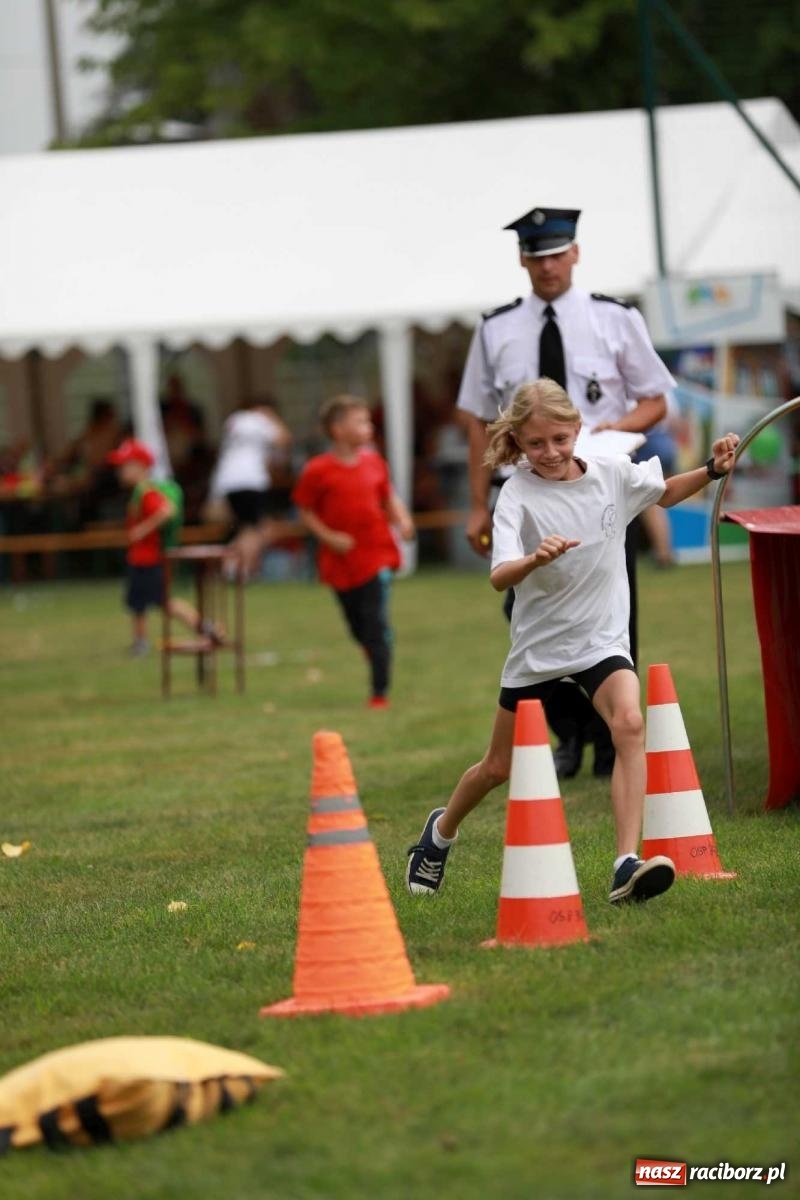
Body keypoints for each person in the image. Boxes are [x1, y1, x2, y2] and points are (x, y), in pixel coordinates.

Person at [406, 379, 739, 903]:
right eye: (535, 444)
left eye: (560, 439)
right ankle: (439, 833)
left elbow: (665, 491)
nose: (550, 453)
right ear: (517, 442)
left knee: (629, 724)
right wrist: (534, 559)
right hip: (538, 650)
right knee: (498, 767)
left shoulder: (609, 473)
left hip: (602, 639)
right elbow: (499, 577)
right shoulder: (517, 493)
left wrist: (713, 470)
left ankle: (624, 863)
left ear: (578, 430)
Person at [457, 205, 675, 780]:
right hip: (525, 489)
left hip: (599, 484)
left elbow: (655, 399)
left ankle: (611, 740)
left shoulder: (613, 318)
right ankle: (573, 729)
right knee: (520, 610)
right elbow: (480, 419)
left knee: (614, 614)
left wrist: (605, 438)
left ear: (575, 254)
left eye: (557, 254)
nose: (548, 266)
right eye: (536, 256)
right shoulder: (496, 327)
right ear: (522, 260)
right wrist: (479, 502)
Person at [292, 395, 415, 709]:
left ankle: (379, 693)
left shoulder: (374, 462)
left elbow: (388, 497)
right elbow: (305, 511)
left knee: (374, 621)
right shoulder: (317, 470)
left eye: (368, 421)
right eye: (360, 421)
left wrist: (401, 519)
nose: (368, 427)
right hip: (339, 560)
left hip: (375, 553)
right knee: (355, 625)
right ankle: (372, 644)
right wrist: (329, 537)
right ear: (337, 429)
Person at [108, 438, 221, 656]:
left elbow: (167, 511)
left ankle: (206, 627)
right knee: (137, 603)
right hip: (140, 558)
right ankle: (140, 642)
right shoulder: (140, 491)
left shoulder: (148, 491)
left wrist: (142, 529)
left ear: (141, 466)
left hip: (150, 558)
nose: (120, 471)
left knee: (164, 602)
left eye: (125, 466)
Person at [208, 397, 293, 579]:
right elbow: (284, 438)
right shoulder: (260, 420)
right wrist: (272, 418)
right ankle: (234, 566)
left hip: (228, 480)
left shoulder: (235, 420)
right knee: (255, 529)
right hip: (250, 481)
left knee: (251, 527)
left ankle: (237, 566)